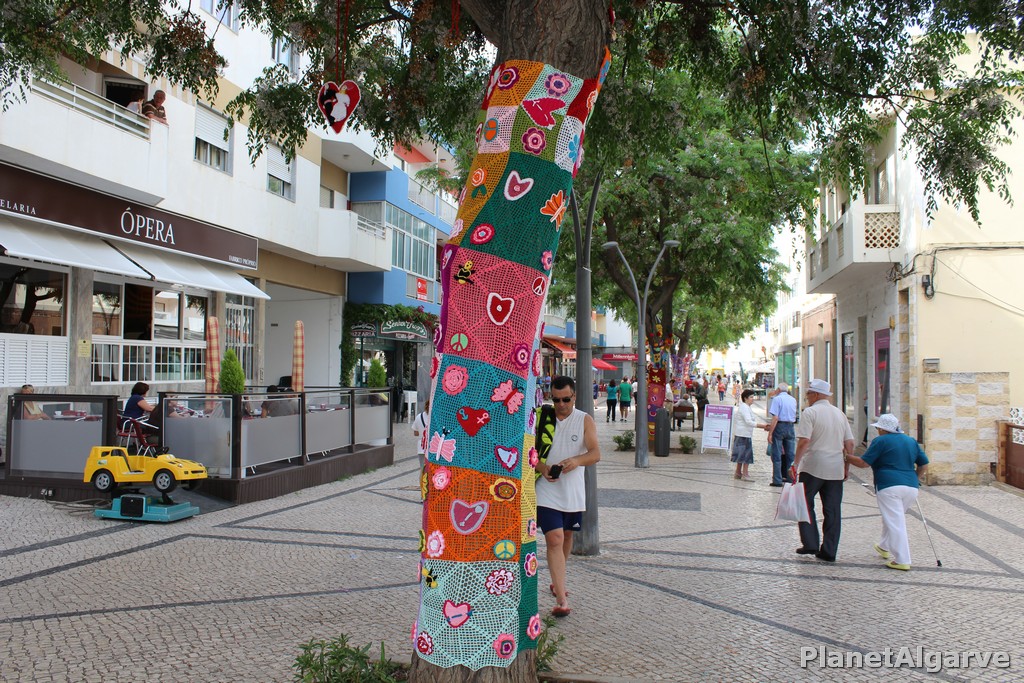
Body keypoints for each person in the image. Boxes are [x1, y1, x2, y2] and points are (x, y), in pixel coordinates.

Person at [535, 376, 601, 618]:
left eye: (565, 399)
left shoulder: (584, 419)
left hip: (572, 491)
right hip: (546, 489)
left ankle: (557, 581)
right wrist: (543, 468)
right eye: (556, 400)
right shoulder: (542, 417)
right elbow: (527, 450)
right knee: (554, 538)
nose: (561, 405)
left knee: (566, 537)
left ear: (574, 396)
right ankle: (562, 600)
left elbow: (595, 453)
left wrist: (576, 461)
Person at [846, 414, 929, 570]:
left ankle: (902, 559)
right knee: (893, 517)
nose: (878, 431)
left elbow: (863, 463)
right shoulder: (911, 441)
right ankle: (884, 546)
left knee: (895, 522)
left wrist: (847, 457)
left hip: (889, 485)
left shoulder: (880, 441)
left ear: (884, 429)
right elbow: (924, 465)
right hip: (911, 487)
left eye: (879, 428)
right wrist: (915, 479)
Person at [791, 379, 855, 563]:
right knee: (833, 509)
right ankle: (829, 551)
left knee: (804, 502)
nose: (807, 397)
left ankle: (810, 542)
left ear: (816, 394)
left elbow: (804, 441)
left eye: (808, 394)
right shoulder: (840, 414)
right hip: (835, 467)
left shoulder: (810, 412)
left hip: (813, 465)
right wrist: (846, 466)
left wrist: (795, 464)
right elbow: (850, 443)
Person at [766, 382, 798, 487]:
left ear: (779, 390)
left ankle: (777, 480)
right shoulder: (793, 399)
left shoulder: (777, 399)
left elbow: (775, 417)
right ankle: (790, 478)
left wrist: (770, 433)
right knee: (790, 455)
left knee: (777, 454)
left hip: (780, 426)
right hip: (790, 426)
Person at [732, 390, 767, 480]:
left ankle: (738, 472)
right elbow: (748, 421)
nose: (753, 399)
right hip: (743, 434)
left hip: (743, 433)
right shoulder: (744, 408)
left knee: (740, 454)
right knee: (746, 455)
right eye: (751, 397)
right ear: (745, 398)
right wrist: (763, 426)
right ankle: (745, 474)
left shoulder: (746, 407)